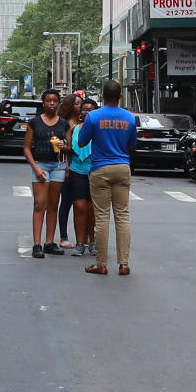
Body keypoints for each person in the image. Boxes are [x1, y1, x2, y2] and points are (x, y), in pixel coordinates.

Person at [77, 80, 137, 276]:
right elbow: (132, 144)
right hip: (122, 167)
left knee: (102, 217)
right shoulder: (129, 118)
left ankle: (101, 263)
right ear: (120, 96)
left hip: (101, 168)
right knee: (122, 215)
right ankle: (124, 263)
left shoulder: (93, 116)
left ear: (103, 96)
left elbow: (82, 140)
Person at [24, 89, 70, 258]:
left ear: (58, 103)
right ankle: (37, 244)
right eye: (48, 100)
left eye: (55, 101)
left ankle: (49, 242)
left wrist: (63, 148)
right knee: (39, 204)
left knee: (53, 205)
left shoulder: (63, 124)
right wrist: (36, 168)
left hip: (58, 166)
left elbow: (69, 147)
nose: (52, 103)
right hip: (40, 165)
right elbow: (27, 148)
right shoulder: (34, 122)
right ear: (43, 103)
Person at [68, 99, 98, 256]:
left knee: (93, 210)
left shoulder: (100, 129)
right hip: (77, 170)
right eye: (84, 110)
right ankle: (80, 243)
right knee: (79, 207)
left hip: (95, 171)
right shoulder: (74, 129)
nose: (87, 113)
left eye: (91, 110)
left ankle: (93, 242)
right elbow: (68, 147)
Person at [55, 93, 82, 249]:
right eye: (77, 104)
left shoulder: (85, 122)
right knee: (66, 201)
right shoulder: (64, 123)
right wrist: (65, 167)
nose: (80, 107)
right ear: (70, 105)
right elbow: (60, 148)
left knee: (82, 203)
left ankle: (84, 237)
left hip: (84, 163)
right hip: (67, 162)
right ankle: (63, 237)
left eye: (81, 104)